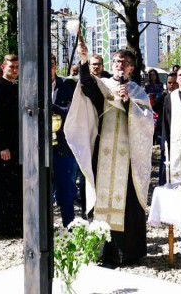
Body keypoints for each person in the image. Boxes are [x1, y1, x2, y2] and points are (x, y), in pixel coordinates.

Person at [65, 44, 154, 267]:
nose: (119, 66)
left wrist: (128, 103)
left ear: (132, 68)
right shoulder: (103, 85)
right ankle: (102, 251)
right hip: (103, 153)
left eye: (124, 63)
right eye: (115, 62)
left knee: (128, 203)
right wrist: (84, 60)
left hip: (128, 158)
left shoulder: (137, 91)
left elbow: (146, 123)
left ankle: (128, 252)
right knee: (101, 200)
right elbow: (86, 86)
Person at [0, 54, 23, 237]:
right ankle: (1, 227)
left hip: (17, 146)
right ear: (3, 67)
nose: (15, 70)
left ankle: (15, 225)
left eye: (17, 67)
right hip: (4, 148)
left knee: (15, 187)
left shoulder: (17, 88)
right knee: (2, 188)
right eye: (11, 67)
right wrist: (2, 146)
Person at [50, 54, 79, 226]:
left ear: (55, 66)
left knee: (67, 190)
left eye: (52, 64)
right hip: (40, 147)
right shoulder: (32, 85)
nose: (49, 67)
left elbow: (69, 110)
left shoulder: (67, 85)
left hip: (63, 146)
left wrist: (49, 106)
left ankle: (69, 227)